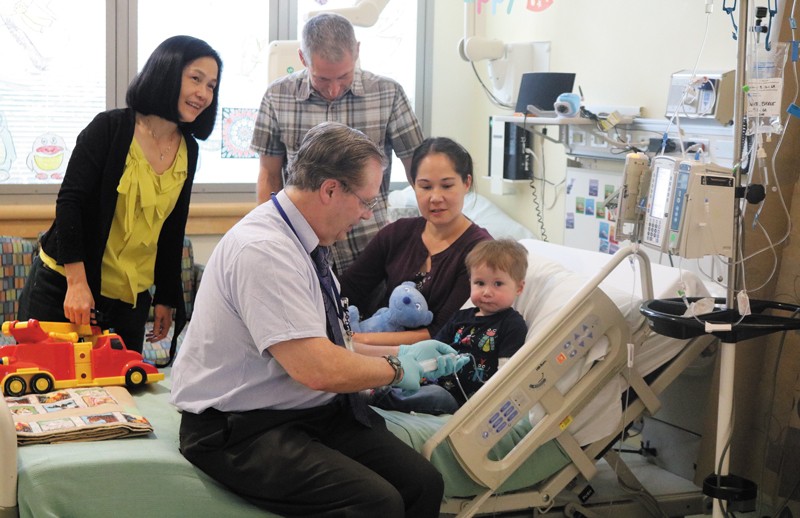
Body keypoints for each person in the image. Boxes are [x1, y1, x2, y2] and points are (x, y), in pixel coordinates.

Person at [170, 122, 464, 517]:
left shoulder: (306, 243)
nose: (366, 215)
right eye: (364, 202)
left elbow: (332, 343)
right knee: (377, 503)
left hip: (308, 411)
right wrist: (396, 370)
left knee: (423, 484)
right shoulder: (265, 251)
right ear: (329, 190)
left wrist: (404, 352)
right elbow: (316, 368)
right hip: (239, 427)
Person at [17, 35, 222, 354]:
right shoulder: (109, 128)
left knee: (124, 382)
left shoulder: (188, 149)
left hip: (130, 299)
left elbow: (171, 228)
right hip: (66, 288)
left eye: (211, 85)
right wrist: (77, 283)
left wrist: (166, 296)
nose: (204, 94)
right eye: (195, 79)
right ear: (167, 73)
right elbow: (70, 203)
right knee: (49, 380)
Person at [250, 12, 423, 275]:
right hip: (303, 249)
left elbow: (418, 170)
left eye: (343, 77)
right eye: (322, 78)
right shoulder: (278, 96)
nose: (333, 89)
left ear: (357, 52)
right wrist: (269, 239)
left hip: (369, 248)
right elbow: (269, 174)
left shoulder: (388, 94)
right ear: (302, 58)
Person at [340, 137, 493, 348]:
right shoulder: (397, 234)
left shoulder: (480, 252)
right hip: (372, 345)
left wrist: (356, 340)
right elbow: (347, 290)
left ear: (466, 183)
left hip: (434, 358)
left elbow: (440, 331)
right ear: (414, 185)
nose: (435, 197)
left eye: (447, 185)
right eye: (425, 186)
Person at [372, 239, 529, 415]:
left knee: (435, 395)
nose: (486, 292)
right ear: (470, 282)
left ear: (519, 288)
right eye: (480, 283)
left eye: (498, 284)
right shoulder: (459, 317)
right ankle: (378, 387)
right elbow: (433, 349)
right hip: (429, 379)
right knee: (405, 377)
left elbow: (506, 373)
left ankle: (379, 397)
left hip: (457, 399)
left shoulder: (512, 325)